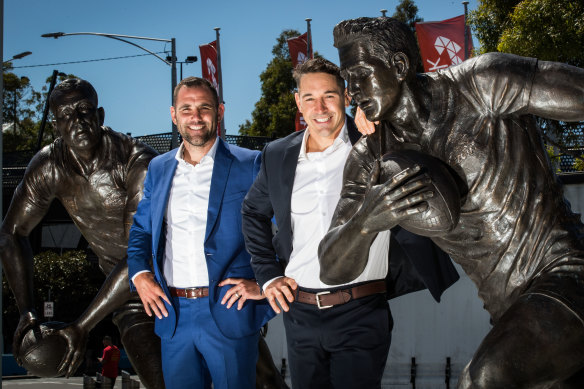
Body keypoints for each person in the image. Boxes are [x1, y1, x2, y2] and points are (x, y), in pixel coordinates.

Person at [323, 16, 584, 388]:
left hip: (568, 277)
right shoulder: (370, 160)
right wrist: (365, 222)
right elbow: (332, 268)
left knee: (484, 378)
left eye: (361, 75)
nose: (353, 91)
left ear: (398, 66)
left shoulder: (482, 84)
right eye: (348, 81)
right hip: (512, 313)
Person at [241, 58, 458, 389]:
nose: (320, 107)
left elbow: (420, 115)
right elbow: (253, 213)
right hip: (299, 313)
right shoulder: (277, 154)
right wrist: (268, 277)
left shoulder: (374, 140)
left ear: (346, 96)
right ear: (298, 102)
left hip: (360, 309)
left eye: (329, 95)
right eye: (309, 98)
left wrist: (381, 119)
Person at [0, 78, 164, 387]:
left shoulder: (137, 161)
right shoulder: (48, 166)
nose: (77, 121)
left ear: (100, 117)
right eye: (65, 114)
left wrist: (82, 327)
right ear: (56, 125)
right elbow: (10, 234)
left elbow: (138, 257)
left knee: (260, 378)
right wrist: (26, 312)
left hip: (180, 281)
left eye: (84, 110)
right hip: (130, 298)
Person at [127, 76, 275, 389]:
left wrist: (266, 282)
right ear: (173, 114)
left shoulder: (250, 164)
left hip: (229, 311)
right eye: (187, 109)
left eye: (204, 108)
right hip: (173, 314)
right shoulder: (158, 168)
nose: (196, 117)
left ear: (219, 111)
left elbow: (281, 229)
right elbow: (141, 229)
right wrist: (139, 274)